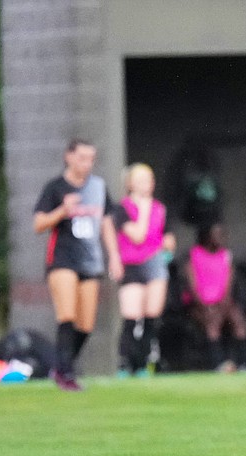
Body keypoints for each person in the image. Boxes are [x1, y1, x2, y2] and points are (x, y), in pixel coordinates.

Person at [32, 139, 120, 392]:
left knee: (86, 325)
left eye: (91, 159)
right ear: (68, 157)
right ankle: (66, 375)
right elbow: (38, 224)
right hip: (62, 259)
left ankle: (61, 366)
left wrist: (113, 255)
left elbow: (105, 224)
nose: (87, 164)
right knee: (67, 315)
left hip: (90, 261)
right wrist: (62, 211)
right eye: (82, 158)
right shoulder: (55, 188)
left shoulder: (98, 187)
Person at [113, 163, 175, 377]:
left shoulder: (160, 208)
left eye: (149, 180)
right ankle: (124, 363)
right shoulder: (123, 208)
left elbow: (166, 234)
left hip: (154, 262)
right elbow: (137, 235)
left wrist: (168, 243)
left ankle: (143, 364)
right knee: (132, 316)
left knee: (151, 316)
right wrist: (145, 209)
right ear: (130, 184)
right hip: (132, 264)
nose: (146, 185)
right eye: (140, 181)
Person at [187, 222, 246, 372]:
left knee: (239, 321)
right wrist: (205, 306)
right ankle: (218, 363)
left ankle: (245, 364)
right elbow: (192, 285)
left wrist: (223, 305)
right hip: (201, 305)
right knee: (212, 325)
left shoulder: (225, 255)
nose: (221, 238)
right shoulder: (194, 254)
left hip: (224, 304)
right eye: (217, 234)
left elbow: (229, 284)